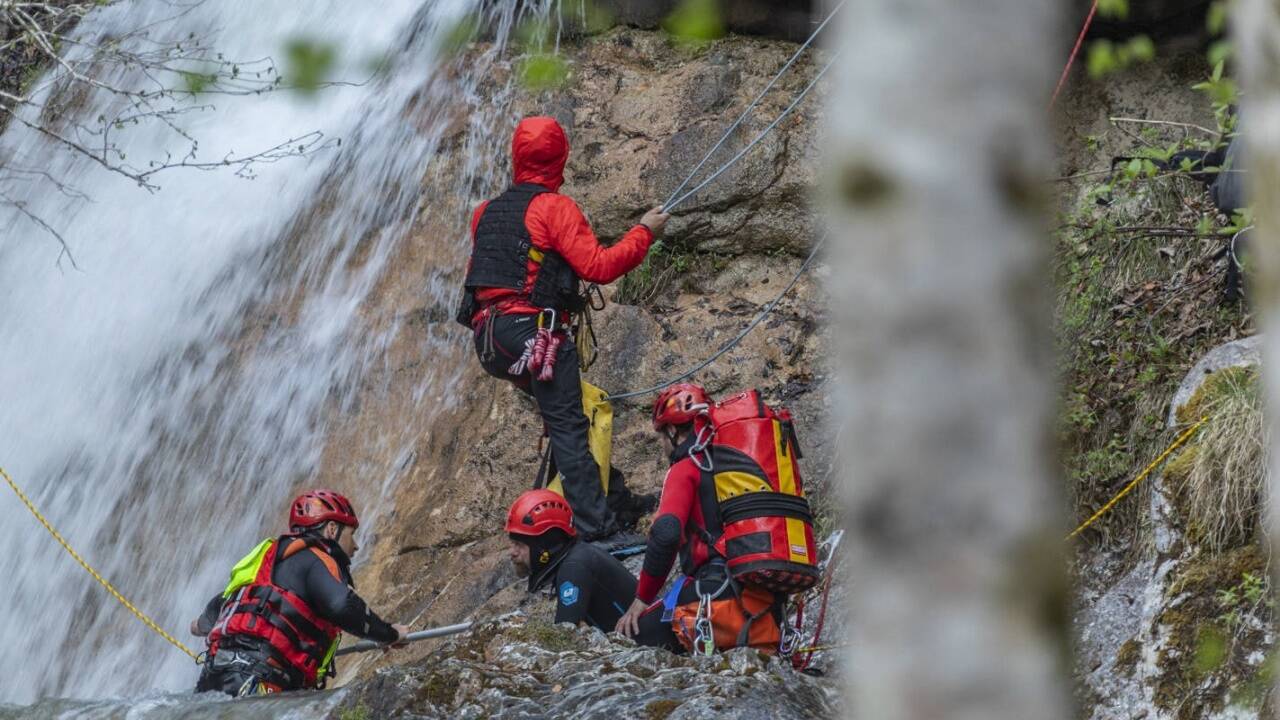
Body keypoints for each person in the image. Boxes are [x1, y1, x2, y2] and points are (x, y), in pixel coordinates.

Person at [459, 116, 670, 541]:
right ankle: (599, 530)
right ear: (561, 158)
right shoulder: (554, 208)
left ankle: (613, 500)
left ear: (515, 156)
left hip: (490, 340)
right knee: (570, 426)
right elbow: (599, 266)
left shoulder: (485, 213)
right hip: (533, 337)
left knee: (572, 417)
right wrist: (645, 232)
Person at [615, 383, 788, 654]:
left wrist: (641, 600)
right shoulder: (735, 465)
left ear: (672, 431)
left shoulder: (686, 467)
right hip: (770, 608)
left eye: (661, 436)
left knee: (625, 644)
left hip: (715, 598)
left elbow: (666, 533)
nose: (663, 446)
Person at [191, 490, 408, 697]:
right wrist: (389, 634)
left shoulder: (263, 563)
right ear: (332, 529)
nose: (356, 546)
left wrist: (200, 624)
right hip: (260, 681)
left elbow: (224, 604)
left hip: (212, 679)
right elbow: (342, 605)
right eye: (352, 534)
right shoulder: (316, 560)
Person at [506, 488, 678, 648]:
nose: (511, 552)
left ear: (546, 546)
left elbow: (562, 639)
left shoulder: (573, 568)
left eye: (519, 544)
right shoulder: (578, 557)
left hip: (659, 649)